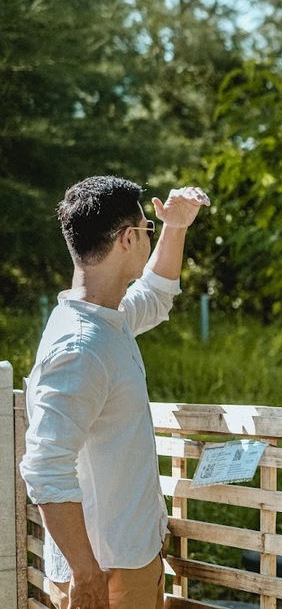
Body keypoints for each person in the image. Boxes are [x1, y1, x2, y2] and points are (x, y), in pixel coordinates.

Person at [19, 176, 210, 609]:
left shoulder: (107, 319)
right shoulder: (80, 347)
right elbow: (45, 468)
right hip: (106, 574)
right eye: (148, 229)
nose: (149, 237)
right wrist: (85, 574)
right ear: (127, 239)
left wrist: (175, 227)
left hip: (128, 559)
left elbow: (155, 295)